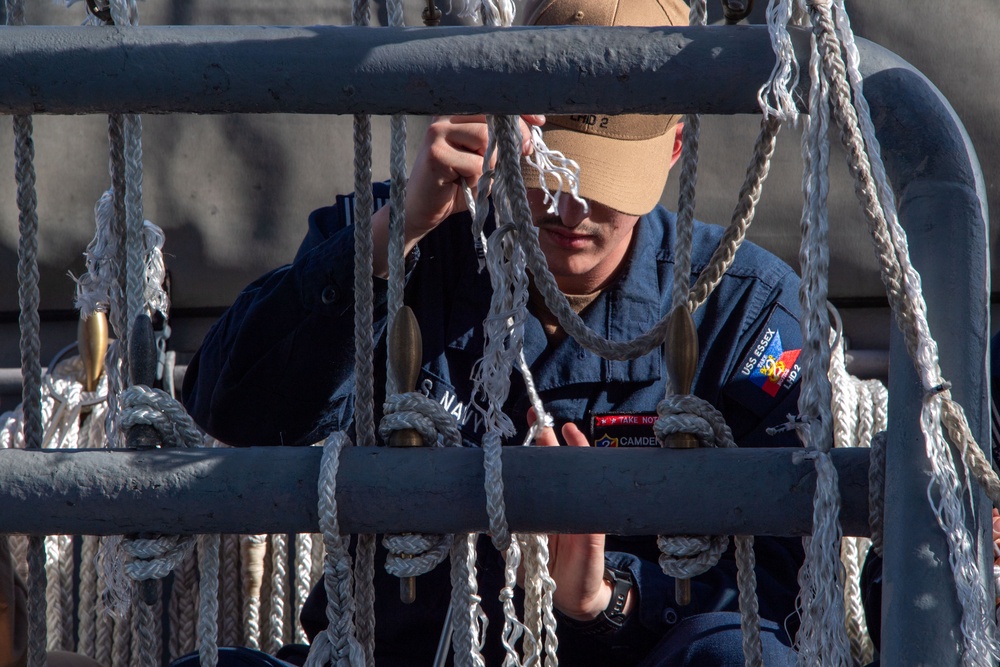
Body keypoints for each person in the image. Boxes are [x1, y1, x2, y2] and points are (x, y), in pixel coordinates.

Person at [183, 0, 807, 664]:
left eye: (605, 182)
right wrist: (392, 242)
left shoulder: (743, 312)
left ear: (674, 147)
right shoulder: (399, 239)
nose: (571, 207)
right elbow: (230, 409)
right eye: (552, 169)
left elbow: (784, 589)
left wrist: (610, 599)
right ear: (500, 124)